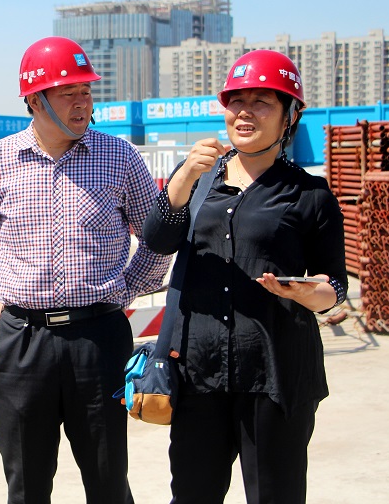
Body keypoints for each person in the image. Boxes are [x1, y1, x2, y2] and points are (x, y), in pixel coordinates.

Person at [0, 36, 171, 504]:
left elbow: (156, 234)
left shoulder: (119, 158)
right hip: (23, 344)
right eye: (69, 93)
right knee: (26, 485)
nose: (83, 102)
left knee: (108, 481)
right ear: (34, 99)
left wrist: (128, 286)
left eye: (87, 91)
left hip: (99, 341)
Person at [140, 50, 348, 504]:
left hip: (275, 375)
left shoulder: (309, 194)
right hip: (199, 373)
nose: (245, 112)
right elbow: (156, 240)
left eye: (262, 102)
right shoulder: (198, 178)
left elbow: (335, 285)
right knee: (192, 495)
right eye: (237, 101)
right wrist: (182, 179)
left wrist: (308, 293)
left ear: (290, 115)